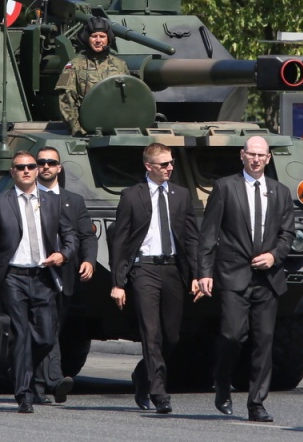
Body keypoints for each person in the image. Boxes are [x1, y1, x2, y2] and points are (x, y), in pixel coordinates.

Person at [196, 136, 294, 423]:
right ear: (242, 155)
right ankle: (222, 383)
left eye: (261, 155)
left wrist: (275, 256)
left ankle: (256, 403)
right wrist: (204, 272)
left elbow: (287, 233)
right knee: (231, 336)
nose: (256, 159)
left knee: (264, 340)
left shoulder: (280, 191)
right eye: (251, 154)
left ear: (268, 158)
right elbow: (209, 233)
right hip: (232, 274)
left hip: (268, 278)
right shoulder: (225, 187)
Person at [0, 151, 76, 413]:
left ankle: (21, 365)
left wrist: (63, 254)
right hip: (13, 277)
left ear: (36, 171)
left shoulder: (51, 202)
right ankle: (24, 393)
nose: (26, 171)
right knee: (21, 334)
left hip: (43, 277)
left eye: (31, 167)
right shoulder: (0, 202)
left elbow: (70, 235)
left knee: (45, 336)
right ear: (12, 172)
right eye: (20, 167)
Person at [109, 143, 199, 414]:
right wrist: (118, 282)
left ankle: (142, 373)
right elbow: (121, 241)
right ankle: (159, 393)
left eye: (171, 163)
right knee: (151, 333)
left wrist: (197, 274)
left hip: (172, 269)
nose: (170, 167)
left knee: (171, 336)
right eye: (164, 164)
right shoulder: (131, 196)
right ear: (149, 166)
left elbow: (192, 238)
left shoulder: (182, 195)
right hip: (143, 270)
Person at [32, 146, 96, 405]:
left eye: (51, 162)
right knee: (45, 328)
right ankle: (55, 379)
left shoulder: (73, 201)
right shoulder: (26, 199)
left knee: (52, 328)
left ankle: (36, 385)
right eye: (41, 162)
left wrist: (89, 261)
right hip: (34, 274)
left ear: (60, 168)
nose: (45, 166)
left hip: (65, 276)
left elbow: (86, 236)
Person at [55, 16, 130, 135]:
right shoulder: (75, 66)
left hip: (116, 129)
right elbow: (66, 99)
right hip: (86, 129)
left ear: (108, 39)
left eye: (102, 36)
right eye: (94, 36)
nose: (98, 40)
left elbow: (127, 98)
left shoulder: (120, 65)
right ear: (86, 38)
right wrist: (77, 130)